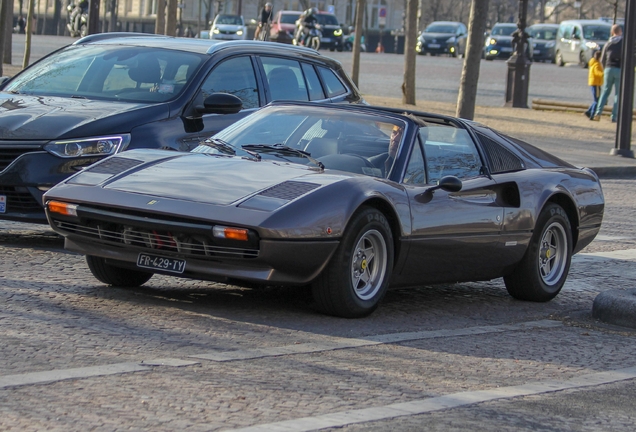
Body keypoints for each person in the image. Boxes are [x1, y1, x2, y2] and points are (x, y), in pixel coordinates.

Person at [592, 24, 623, 122]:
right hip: (619, 69)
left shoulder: (608, 43)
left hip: (608, 68)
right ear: (620, 31)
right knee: (618, 94)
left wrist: (605, 68)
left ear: (612, 32)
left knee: (605, 92)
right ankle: (614, 116)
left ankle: (598, 112)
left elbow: (602, 59)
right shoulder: (623, 42)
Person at [584, 50, 603, 119]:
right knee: (597, 100)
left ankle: (589, 111)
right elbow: (597, 73)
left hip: (593, 83)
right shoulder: (597, 64)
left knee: (596, 99)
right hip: (596, 83)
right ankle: (592, 114)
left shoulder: (593, 63)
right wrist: (603, 74)